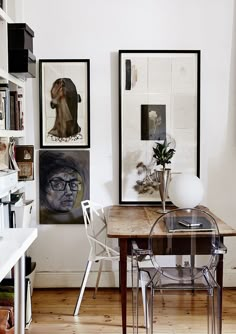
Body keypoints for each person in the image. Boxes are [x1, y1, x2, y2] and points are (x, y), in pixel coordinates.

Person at [39, 151, 89, 224]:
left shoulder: (79, 219)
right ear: (44, 188)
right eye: (58, 184)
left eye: (73, 184)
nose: (69, 192)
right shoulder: (38, 220)